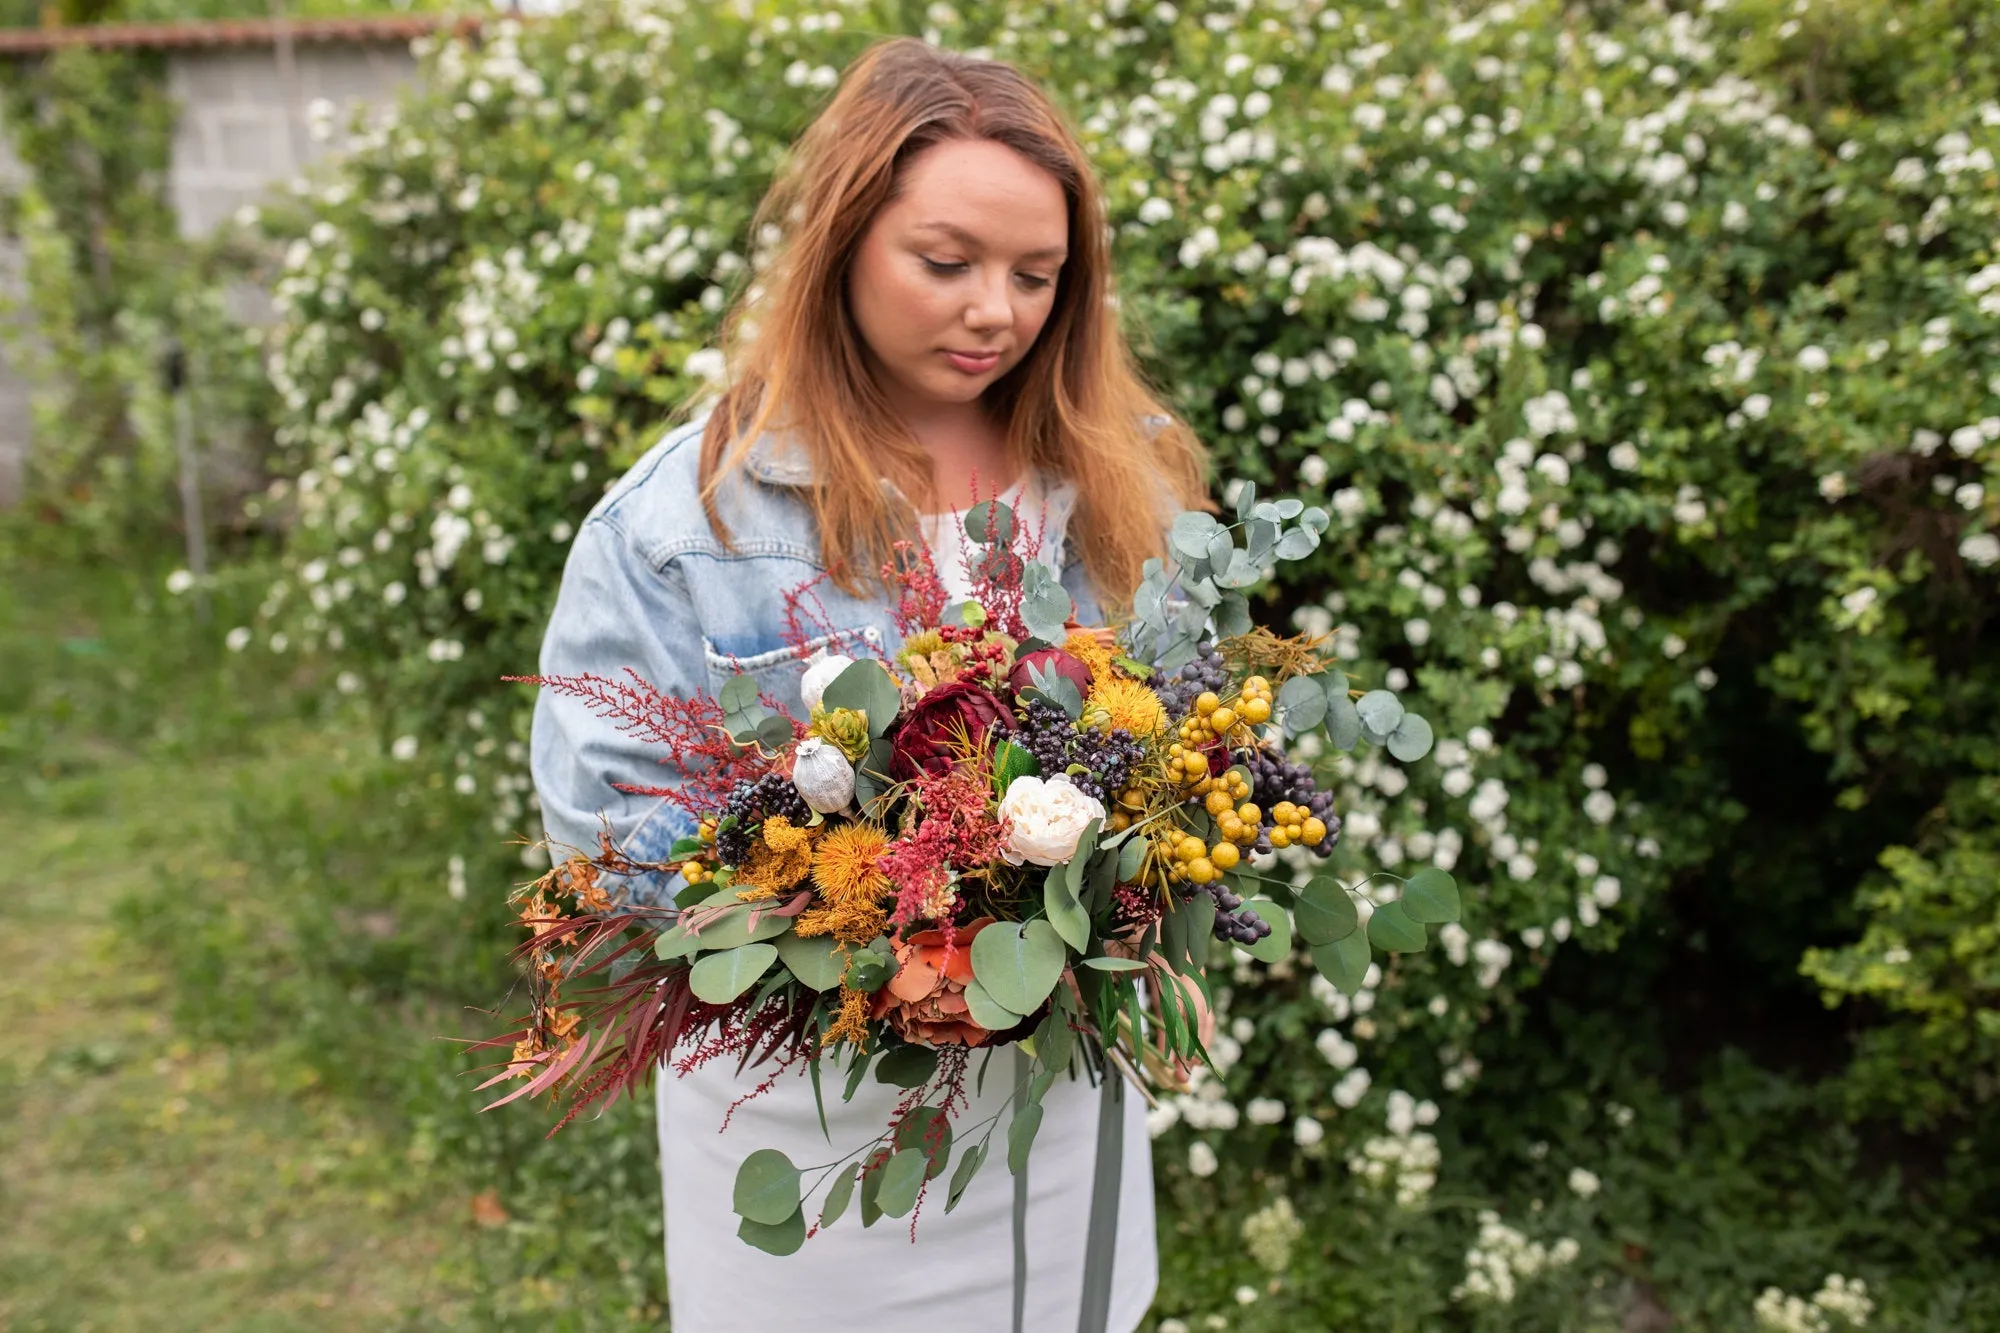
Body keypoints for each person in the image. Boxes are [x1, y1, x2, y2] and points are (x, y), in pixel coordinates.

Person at [530, 36, 1208, 1333]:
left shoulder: (1129, 474)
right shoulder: (688, 519)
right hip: (804, 1119)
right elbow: (608, 838)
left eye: (1036, 275)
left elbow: (1182, 743)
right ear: (844, 241)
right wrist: (867, 925)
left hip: (1054, 1106)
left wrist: (1131, 878)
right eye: (946, 263)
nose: (996, 311)